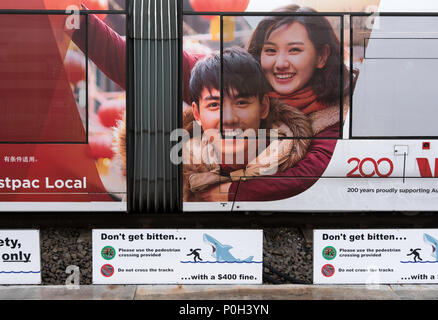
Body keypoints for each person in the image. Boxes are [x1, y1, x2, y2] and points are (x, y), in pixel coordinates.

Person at [70, 4, 349, 202]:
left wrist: (232, 193)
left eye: (295, 50)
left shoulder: (337, 113)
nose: (281, 63)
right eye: (270, 50)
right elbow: (141, 63)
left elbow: (311, 174)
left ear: (322, 56)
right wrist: (73, 15)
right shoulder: (234, 77)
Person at [182, 48, 314, 201]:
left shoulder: (301, 164)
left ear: (263, 107)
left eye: (241, 103)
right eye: (214, 105)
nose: (229, 119)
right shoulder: (180, 169)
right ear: (197, 114)